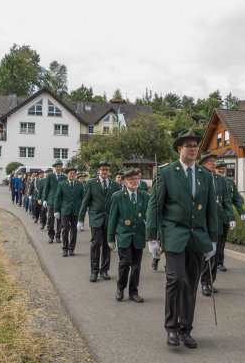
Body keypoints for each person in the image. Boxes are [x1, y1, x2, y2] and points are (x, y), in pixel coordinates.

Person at [146, 129, 218, 349]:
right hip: (174, 235)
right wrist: (152, 238)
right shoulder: (167, 173)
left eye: (196, 146)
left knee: (190, 284)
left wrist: (212, 239)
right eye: (189, 146)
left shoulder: (205, 175)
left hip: (197, 238)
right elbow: (154, 206)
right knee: (176, 280)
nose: (194, 149)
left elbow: (210, 209)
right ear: (180, 149)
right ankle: (171, 328)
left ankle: (186, 329)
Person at [108, 168, 150, 303]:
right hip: (124, 235)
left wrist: (152, 237)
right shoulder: (118, 196)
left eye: (136, 178)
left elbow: (149, 217)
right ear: (125, 181)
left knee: (136, 266)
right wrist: (110, 238)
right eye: (131, 179)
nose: (134, 181)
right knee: (125, 263)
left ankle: (133, 292)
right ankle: (120, 287)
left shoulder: (145, 196)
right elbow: (113, 218)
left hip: (138, 235)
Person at [198, 152, 233, 297]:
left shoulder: (220, 180)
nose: (213, 163)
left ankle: (211, 280)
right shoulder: (199, 178)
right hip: (202, 222)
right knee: (206, 254)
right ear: (203, 164)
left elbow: (226, 201)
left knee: (216, 253)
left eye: (214, 161)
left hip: (217, 221)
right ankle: (205, 281)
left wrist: (230, 217)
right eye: (210, 161)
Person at [79, 160, 121, 282]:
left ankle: (104, 270)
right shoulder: (91, 183)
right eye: (102, 169)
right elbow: (85, 201)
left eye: (106, 170)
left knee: (108, 245)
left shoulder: (115, 185)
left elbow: (117, 204)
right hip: (96, 218)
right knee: (96, 243)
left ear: (109, 171)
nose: (104, 172)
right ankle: (94, 271)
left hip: (109, 219)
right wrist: (81, 219)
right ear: (98, 170)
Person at [214, 160, 245, 272]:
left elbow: (236, 199)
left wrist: (241, 212)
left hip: (225, 217)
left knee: (222, 241)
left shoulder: (230, 183)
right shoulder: (213, 180)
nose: (221, 171)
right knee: (215, 241)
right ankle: (213, 262)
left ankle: (219, 262)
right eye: (219, 169)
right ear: (215, 169)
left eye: (223, 169)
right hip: (215, 217)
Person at [55, 167, 85, 257]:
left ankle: (71, 249)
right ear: (67, 174)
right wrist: (56, 210)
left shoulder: (80, 185)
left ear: (75, 175)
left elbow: (82, 198)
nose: (72, 175)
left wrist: (83, 210)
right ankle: (65, 249)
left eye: (73, 173)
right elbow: (57, 197)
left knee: (74, 230)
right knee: (65, 229)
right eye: (70, 173)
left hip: (76, 210)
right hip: (65, 210)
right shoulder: (62, 184)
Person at [42, 160, 66, 244]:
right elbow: (46, 188)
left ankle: (58, 236)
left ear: (61, 167)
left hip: (61, 201)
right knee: (51, 218)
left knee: (60, 219)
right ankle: (51, 236)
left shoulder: (64, 177)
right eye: (57, 166)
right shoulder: (50, 176)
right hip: (51, 200)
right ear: (55, 167)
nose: (58, 168)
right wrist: (44, 199)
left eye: (60, 166)